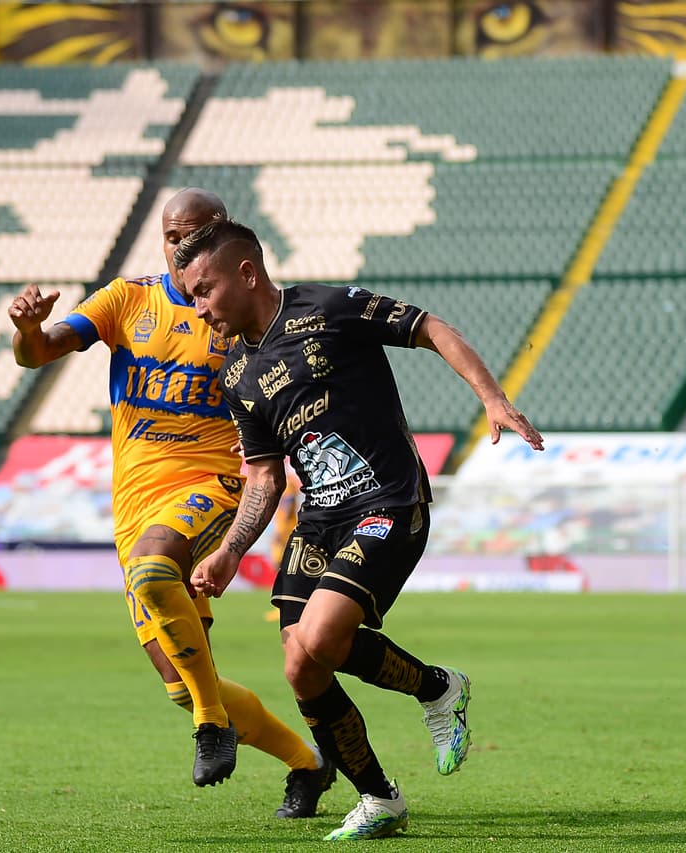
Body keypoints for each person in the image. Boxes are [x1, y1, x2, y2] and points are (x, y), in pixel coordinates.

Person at [176, 219, 545, 841]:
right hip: (321, 518)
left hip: (389, 500)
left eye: (204, 290)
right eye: (191, 296)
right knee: (300, 666)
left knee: (320, 637)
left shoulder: (327, 308)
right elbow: (265, 475)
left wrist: (491, 396)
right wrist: (231, 550)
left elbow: (430, 328)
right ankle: (379, 798)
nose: (199, 308)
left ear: (246, 273)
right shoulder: (235, 373)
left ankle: (437, 688)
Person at [7, 189, 335, 815]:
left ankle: (212, 728)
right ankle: (308, 762)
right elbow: (40, 352)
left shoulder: (238, 312)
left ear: (220, 236)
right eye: (170, 237)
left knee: (155, 571)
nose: (179, 248)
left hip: (213, 482)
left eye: (192, 236)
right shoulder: (126, 300)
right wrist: (27, 331)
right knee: (182, 682)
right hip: (135, 503)